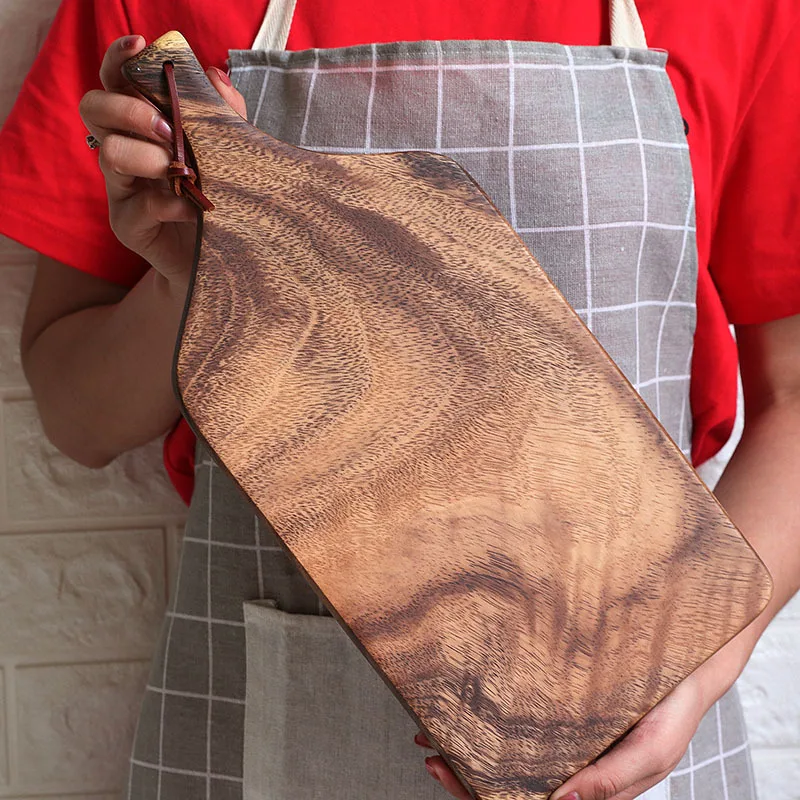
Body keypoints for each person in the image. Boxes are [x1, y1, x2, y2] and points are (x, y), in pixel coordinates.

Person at [0, 0, 798, 798]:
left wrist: (699, 670)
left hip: (641, 708)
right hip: (256, 722)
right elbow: (80, 419)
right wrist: (196, 277)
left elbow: (792, 394)